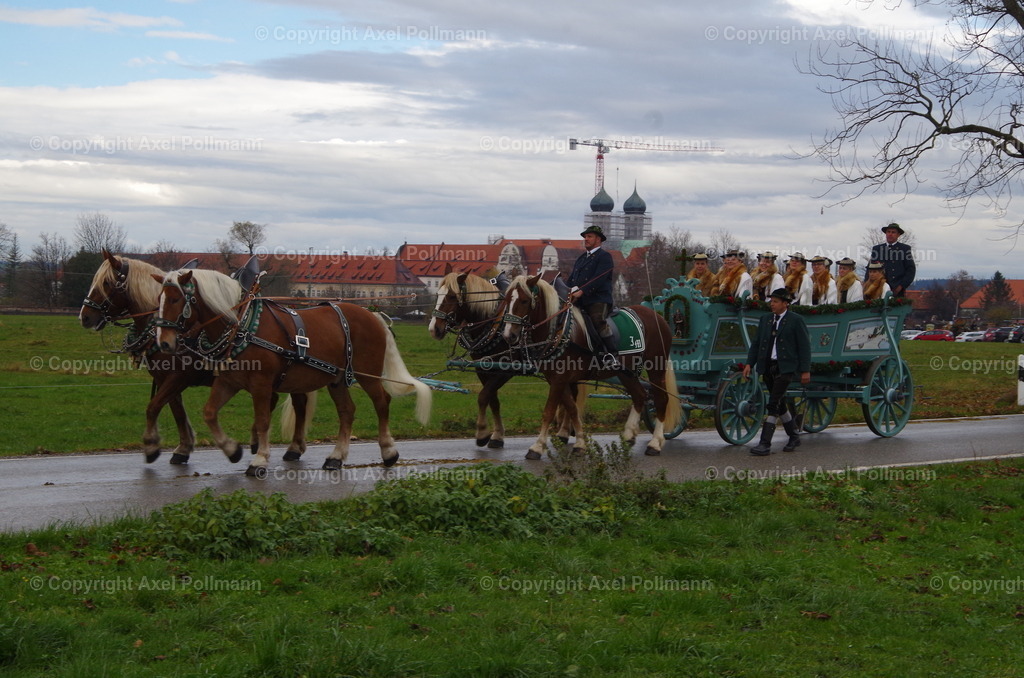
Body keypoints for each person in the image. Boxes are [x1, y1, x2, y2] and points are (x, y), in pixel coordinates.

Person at [742, 288, 811, 456]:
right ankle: (794, 435)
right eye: (771, 301)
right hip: (768, 366)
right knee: (779, 403)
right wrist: (749, 363)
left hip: (785, 368)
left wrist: (805, 370)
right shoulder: (765, 319)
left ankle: (765, 443)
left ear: (785, 303)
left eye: (775, 302)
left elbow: (804, 346)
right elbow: (757, 343)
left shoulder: (796, 320)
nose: (772, 304)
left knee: (772, 404)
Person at [567, 224, 619, 368]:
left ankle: (612, 354)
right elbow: (572, 279)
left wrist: (582, 291)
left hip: (598, 299)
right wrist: (567, 290)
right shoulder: (582, 258)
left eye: (589, 236)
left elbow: (599, 278)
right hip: (579, 299)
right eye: (585, 237)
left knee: (597, 320)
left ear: (599, 239)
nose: (586, 239)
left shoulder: (605, 257)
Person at [869, 223, 915, 297]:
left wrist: (901, 286)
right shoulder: (877, 249)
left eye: (893, 232)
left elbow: (910, 270)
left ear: (898, 235)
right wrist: (867, 284)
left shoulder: (904, 249)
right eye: (888, 232)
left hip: (896, 289)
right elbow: (870, 267)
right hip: (878, 287)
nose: (890, 234)